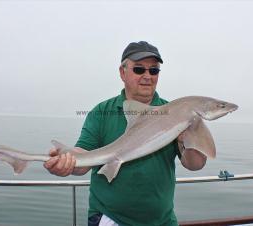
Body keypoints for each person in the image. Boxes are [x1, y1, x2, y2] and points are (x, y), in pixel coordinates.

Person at [44, 41, 207, 226]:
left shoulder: (175, 112)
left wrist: (189, 136)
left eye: (154, 70)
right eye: (139, 69)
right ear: (122, 72)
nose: (147, 76)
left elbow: (195, 165)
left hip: (163, 220)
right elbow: (83, 160)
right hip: (111, 219)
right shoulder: (102, 112)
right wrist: (67, 162)